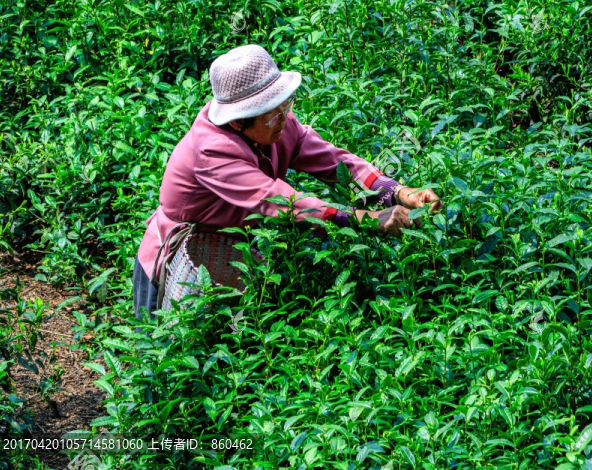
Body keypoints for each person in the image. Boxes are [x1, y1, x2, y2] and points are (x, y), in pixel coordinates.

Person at [133, 44, 442, 321]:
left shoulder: (277, 125)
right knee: (169, 357)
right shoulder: (210, 150)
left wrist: (398, 192)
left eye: (286, 106)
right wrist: (365, 218)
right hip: (185, 258)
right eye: (272, 114)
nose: (284, 118)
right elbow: (281, 201)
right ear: (238, 120)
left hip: (235, 252)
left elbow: (336, 162)